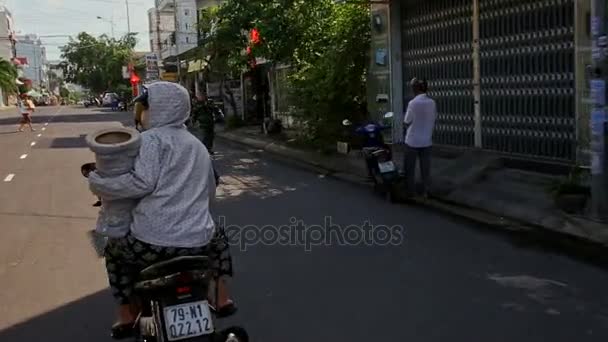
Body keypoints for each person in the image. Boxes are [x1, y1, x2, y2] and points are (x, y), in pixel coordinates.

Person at [88, 82, 235, 339]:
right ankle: (221, 295)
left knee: (113, 250)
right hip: (199, 242)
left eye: (143, 107)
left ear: (157, 109)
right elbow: (210, 190)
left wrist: (101, 183)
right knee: (219, 239)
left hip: (151, 243)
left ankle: (126, 313)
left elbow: (140, 183)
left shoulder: (150, 140)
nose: (139, 112)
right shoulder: (197, 145)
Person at [403, 78, 437, 198]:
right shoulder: (432, 103)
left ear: (415, 89)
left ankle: (410, 192)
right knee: (425, 169)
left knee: (409, 169)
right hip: (426, 141)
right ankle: (426, 192)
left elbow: (407, 121)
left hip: (412, 141)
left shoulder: (412, 103)